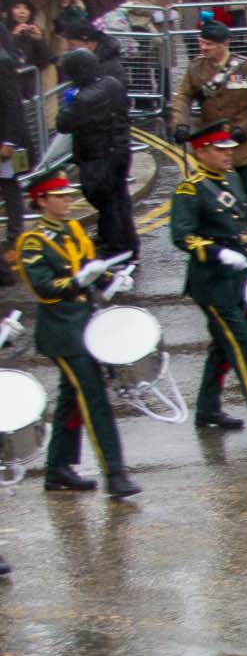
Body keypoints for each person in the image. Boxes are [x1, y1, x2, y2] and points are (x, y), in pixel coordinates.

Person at [13, 161, 141, 499]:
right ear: (41, 200)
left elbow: (89, 268)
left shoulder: (73, 230)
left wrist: (110, 279)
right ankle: (115, 472)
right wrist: (75, 282)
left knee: (72, 399)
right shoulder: (32, 242)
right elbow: (43, 287)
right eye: (59, 196)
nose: (68, 200)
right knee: (95, 397)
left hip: (85, 324)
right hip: (63, 332)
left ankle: (58, 468)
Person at [170, 124, 247, 436]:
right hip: (212, 284)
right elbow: (182, 236)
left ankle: (208, 410)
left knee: (222, 348)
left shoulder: (230, 178)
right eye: (220, 149)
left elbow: (246, 212)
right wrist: (216, 253)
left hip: (237, 278)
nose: (229, 154)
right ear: (201, 152)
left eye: (229, 149)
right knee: (242, 346)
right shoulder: (190, 189)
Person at [173, 19, 247, 219]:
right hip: (212, 148)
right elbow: (183, 97)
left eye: (208, 44)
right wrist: (181, 124)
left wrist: (245, 130)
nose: (203, 48)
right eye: (201, 43)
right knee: (214, 201)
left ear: (223, 44)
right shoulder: (195, 68)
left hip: (244, 147)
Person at [52, 47, 137, 264]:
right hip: (121, 151)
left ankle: (117, 247)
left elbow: (63, 124)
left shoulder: (83, 100)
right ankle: (128, 244)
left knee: (106, 202)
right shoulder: (112, 84)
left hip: (98, 157)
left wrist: (69, 103)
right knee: (120, 198)